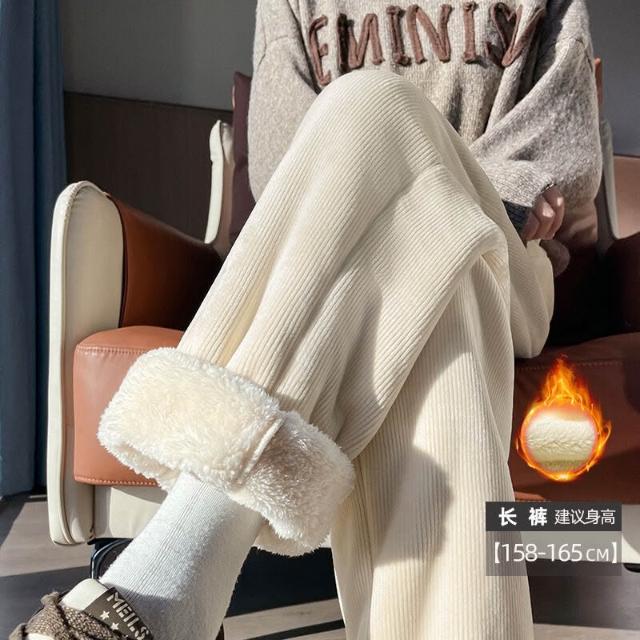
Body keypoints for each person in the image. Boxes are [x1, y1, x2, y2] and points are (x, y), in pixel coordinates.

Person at [14, 1, 601, 638]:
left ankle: (177, 573)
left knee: (375, 106)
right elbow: (280, 154)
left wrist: (429, 171)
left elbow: (563, 146)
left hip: (507, 257)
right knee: (438, 283)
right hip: (408, 267)